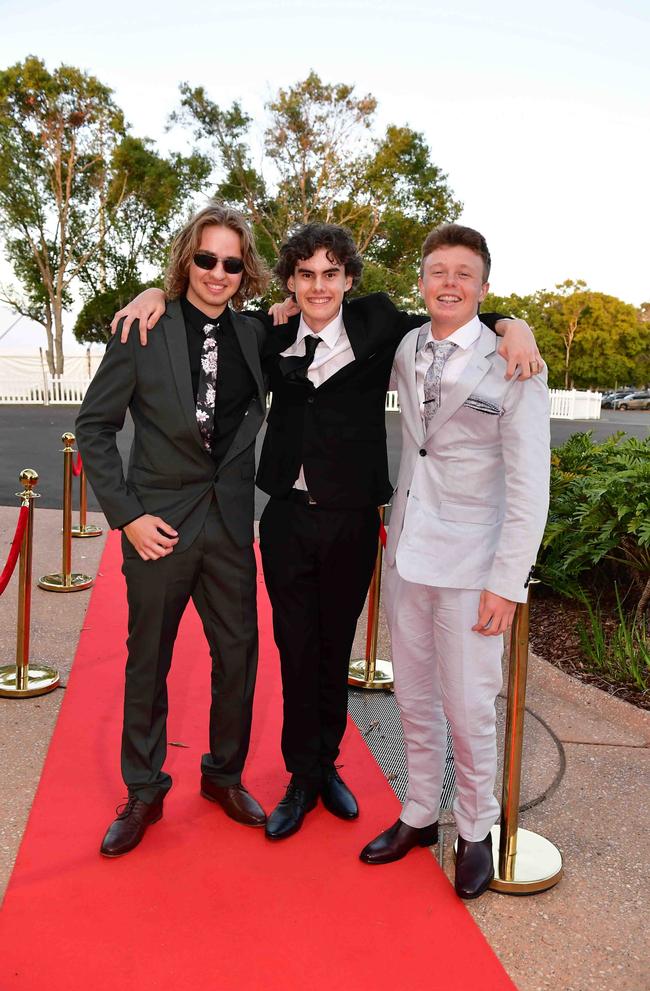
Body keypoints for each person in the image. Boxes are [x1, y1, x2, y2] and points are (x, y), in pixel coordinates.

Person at [113, 222, 542, 842]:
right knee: (295, 649)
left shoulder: (382, 326)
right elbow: (207, 320)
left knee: (334, 647)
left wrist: (513, 325)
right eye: (306, 274)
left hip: (351, 517)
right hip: (286, 515)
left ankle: (326, 768)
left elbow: (457, 311)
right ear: (289, 280)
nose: (319, 286)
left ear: (348, 280)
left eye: (331, 274)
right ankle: (298, 775)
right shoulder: (269, 331)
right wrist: (157, 292)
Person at [76, 203, 283, 857]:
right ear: (185, 260)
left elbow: (346, 321)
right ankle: (144, 788)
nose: (216, 273)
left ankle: (223, 775)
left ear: (243, 270)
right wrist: (129, 517)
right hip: (157, 528)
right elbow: (94, 428)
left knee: (239, 657)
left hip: (228, 525)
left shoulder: (256, 335)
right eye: (205, 259)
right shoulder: (144, 329)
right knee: (149, 661)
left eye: (230, 262)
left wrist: (505, 324)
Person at [359, 224, 550, 899]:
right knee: (412, 693)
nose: (449, 283)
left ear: (484, 286)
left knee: (470, 704)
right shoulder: (409, 345)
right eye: (437, 270)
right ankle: (417, 813)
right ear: (421, 282)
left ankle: (474, 829)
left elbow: (530, 484)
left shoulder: (516, 362)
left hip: (476, 564)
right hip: (410, 550)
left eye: (463, 273)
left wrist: (508, 582)